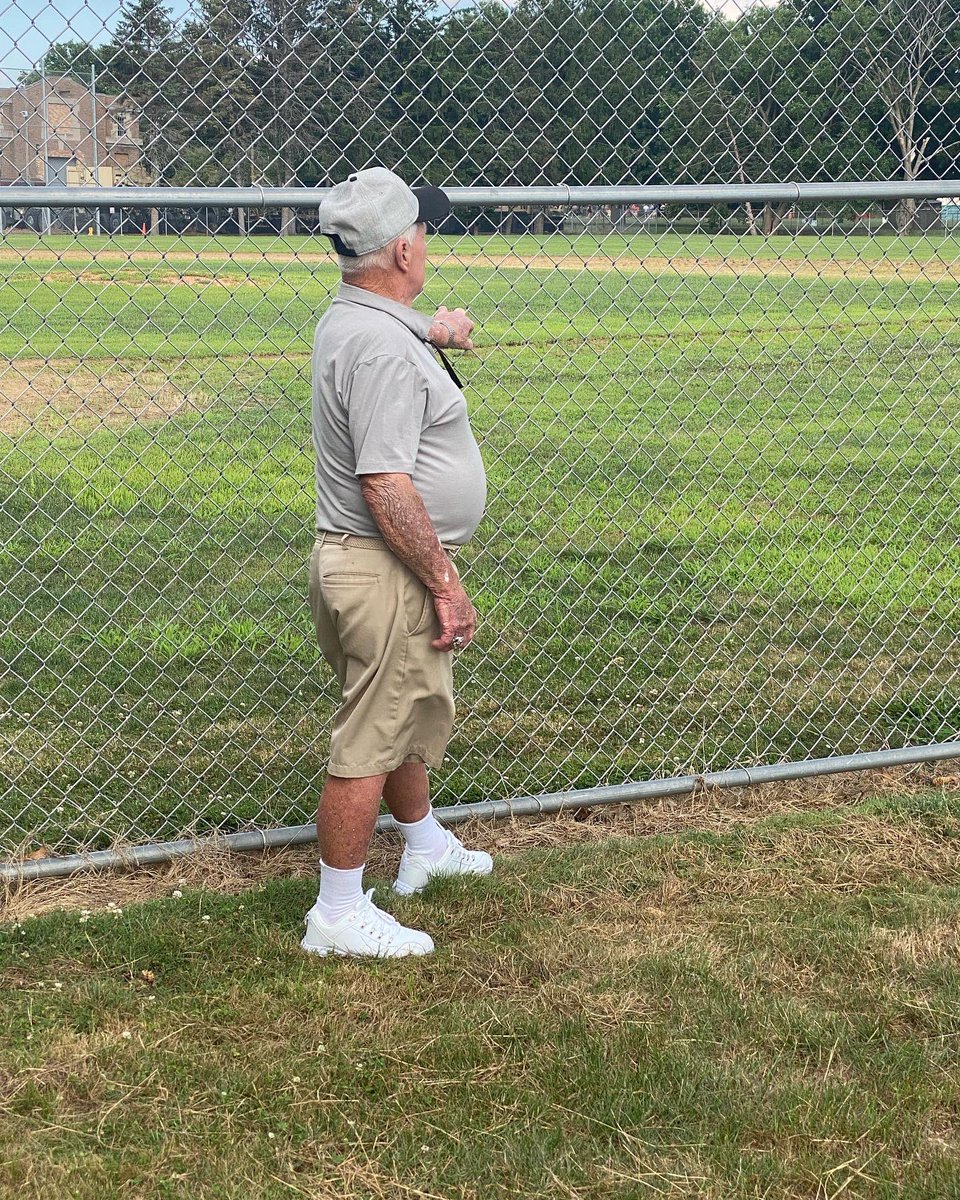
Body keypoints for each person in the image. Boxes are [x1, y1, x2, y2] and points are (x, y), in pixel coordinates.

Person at [301, 167, 493, 959]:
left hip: (367, 565)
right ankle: (337, 912)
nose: (429, 242)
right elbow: (385, 482)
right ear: (404, 247)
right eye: (424, 231)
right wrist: (445, 584)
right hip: (385, 568)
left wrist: (435, 335)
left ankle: (423, 844)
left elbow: (387, 345)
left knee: (402, 714)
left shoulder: (361, 318)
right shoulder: (380, 347)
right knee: (369, 742)